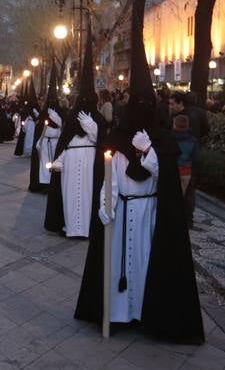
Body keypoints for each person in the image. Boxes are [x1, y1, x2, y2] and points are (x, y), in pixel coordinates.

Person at [74, 63, 204, 344]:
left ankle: (147, 314)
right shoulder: (116, 140)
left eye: (149, 104)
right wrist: (105, 204)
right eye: (139, 104)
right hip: (122, 211)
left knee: (147, 262)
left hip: (151, 213)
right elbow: (109, 178)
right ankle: (118, 313)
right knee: (118, 261)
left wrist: (149, 151)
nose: (143, 110)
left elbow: (166, 179)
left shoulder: (163, 142)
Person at [55, 52, 103, 239]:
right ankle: (70, 226)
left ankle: (87, 227)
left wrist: (93, 129)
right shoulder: (70, 117)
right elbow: (64, 142)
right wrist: (59, 159)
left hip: (91, 160)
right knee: (70, 193)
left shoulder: (98, 119)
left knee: (89, 194)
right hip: (71, 159)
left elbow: (104, 142)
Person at [172, 113, 199, 227]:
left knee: (172, 195)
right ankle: (188, 219)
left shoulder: (169, 138)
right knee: (188, 197)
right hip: (187, 171)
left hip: (172, 169)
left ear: (174, 125)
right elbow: (196, 158)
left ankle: (172, 216)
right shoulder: (193, 141)